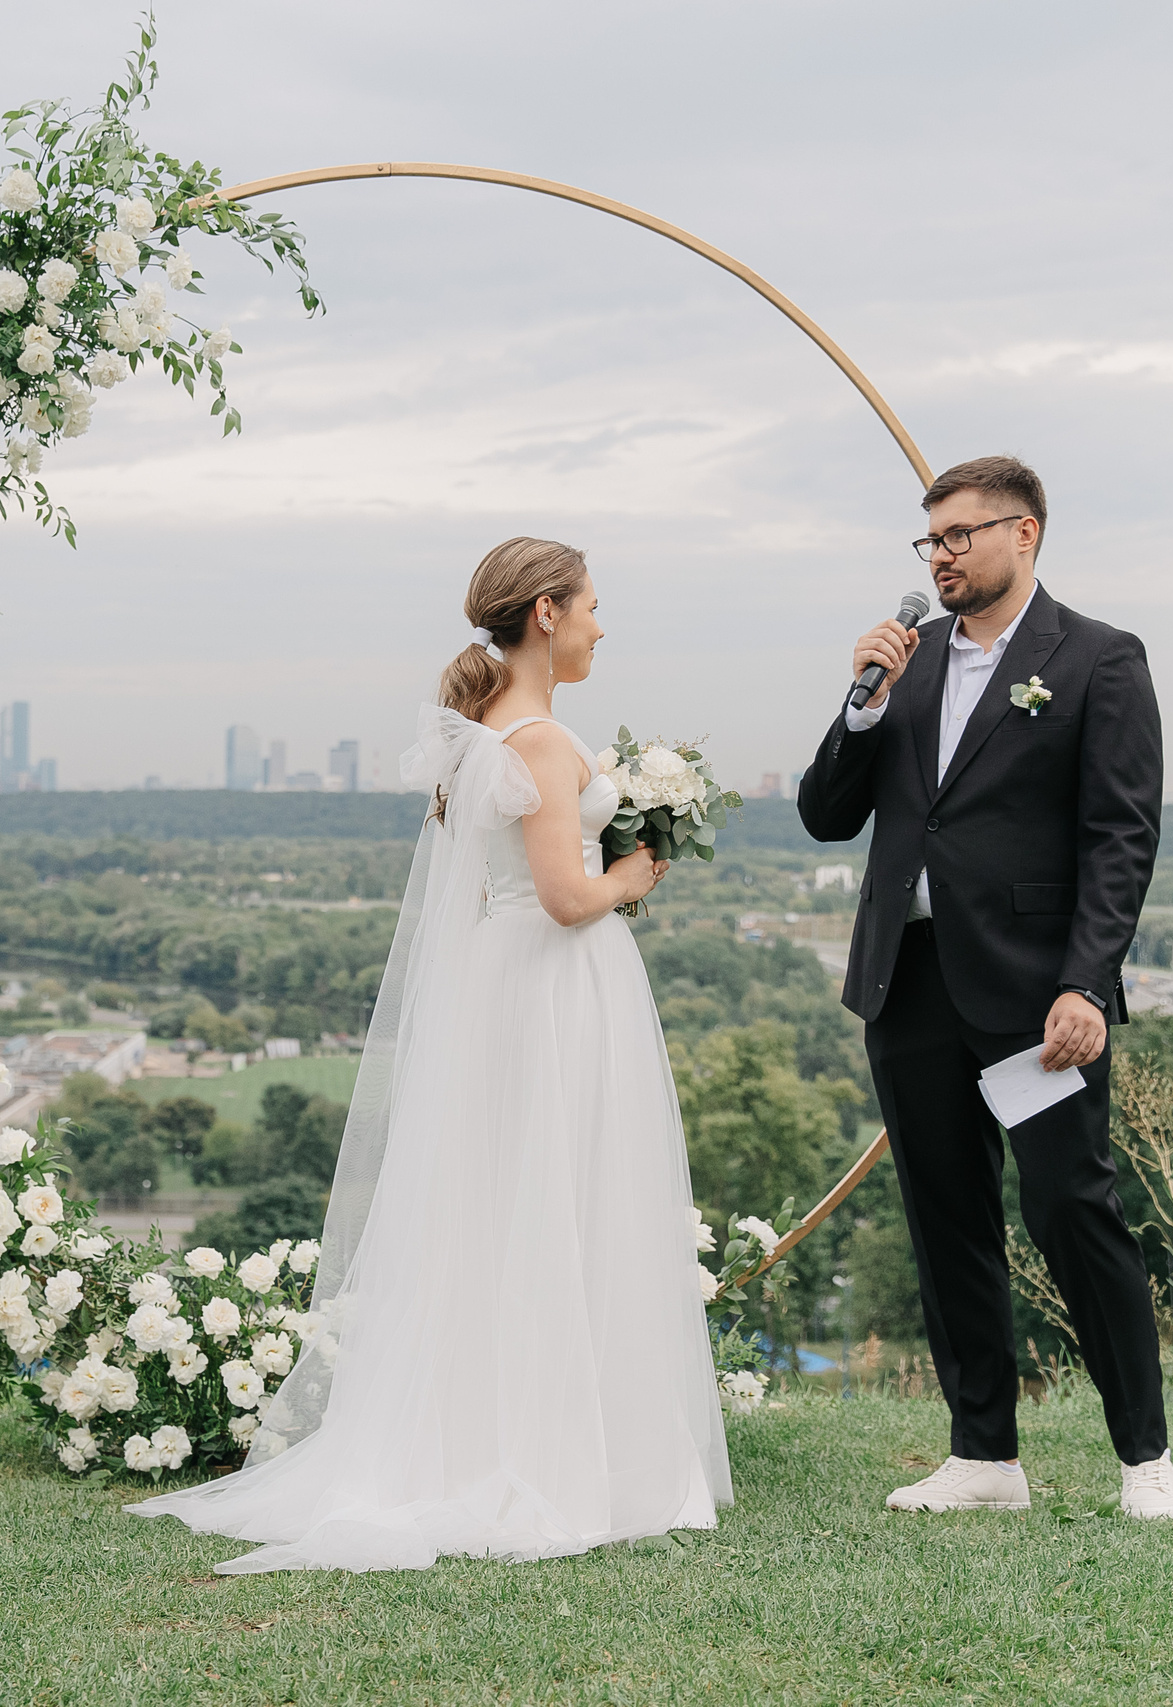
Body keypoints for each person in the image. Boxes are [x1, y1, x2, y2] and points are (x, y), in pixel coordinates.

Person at [128, 536, 731, 1571]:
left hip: (512, 984)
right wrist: (638, 873)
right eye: (590, 605)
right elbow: (563, 897)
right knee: (559, 1194)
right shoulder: (536, 739)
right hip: (549, 984)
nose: (599, 624)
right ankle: (553, 1452)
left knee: (514, 1204)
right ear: (545, 612)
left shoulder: (486, 729)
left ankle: (514, 1429)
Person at [797, 455, 1173, 1520]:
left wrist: (1086, 986)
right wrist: (861, 707)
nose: (943, 555)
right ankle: (983, 1458)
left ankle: (1143, 1455)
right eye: (931, 540)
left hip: (1031, 995)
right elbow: (826, 814)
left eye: (961, 535)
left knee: (1071, 1209)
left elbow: (1121, 838)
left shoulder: (1100, 659)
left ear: (1026, 534)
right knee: (944, 1216)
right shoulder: (904, 663)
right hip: (908, 980)